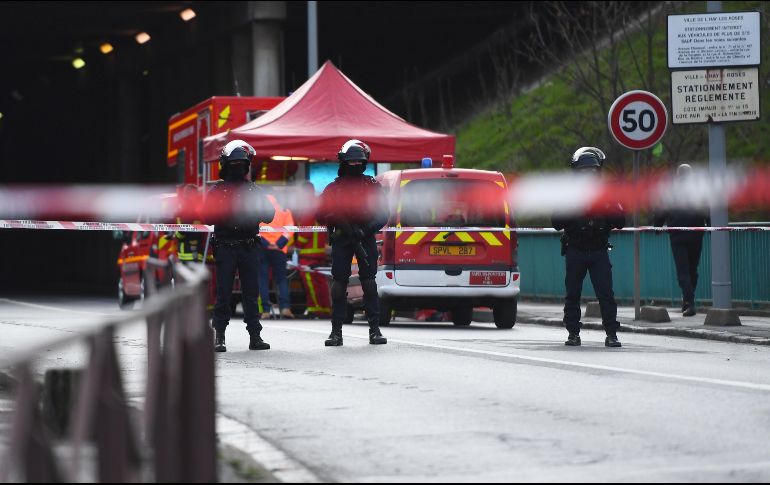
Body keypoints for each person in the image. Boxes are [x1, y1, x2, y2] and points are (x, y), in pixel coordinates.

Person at [552, 147, 626, 348]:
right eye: (584, 172)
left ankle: (612, 334)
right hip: (575, 249)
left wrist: (606, 205)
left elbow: (621, 221)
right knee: (572, 294)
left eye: (592, 171)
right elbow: (556, 222)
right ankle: (573, 333)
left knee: (606, 294)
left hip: (599, 250)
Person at [318, 139, 389, 346]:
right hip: (344, 237)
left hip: (363, 238)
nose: (356, 165)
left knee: (366, 283)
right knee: (341, 283)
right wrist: (339, 221)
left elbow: (383, 214)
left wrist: (364, 230)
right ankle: (338, 332)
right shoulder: (335, 188)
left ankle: (371, 330)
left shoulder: (369, 186)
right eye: (353, 162)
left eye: (358, 162)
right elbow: (320, 214)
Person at [208, 140, 275, 352]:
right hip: (226, 246)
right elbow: (206, 215)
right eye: (235, 164)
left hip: (247, 247)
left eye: (241, 163)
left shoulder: (253, 190)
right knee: (224, 293)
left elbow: (269, 215)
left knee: (250, 293)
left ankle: (255, 336)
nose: (238, 167)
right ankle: (220, 336)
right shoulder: (218, 190)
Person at [653, 164, 710, 317]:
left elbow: (661, 210)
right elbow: (707, 210)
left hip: (677, 235)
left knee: (683, 271)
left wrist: (657, 227)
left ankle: (689, 302)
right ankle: (688, 300)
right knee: (693, 269)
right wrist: (710, 226)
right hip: (696, 234)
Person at [294, 182, 332, 319]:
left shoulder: (308, 207)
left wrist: (297, 245)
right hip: (319, 252)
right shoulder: (318, 204)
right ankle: (325, 309)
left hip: (308, 253)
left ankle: (315, 309)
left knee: (310, 283)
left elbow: (305, 232)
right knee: (321, 283)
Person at [258, 193, 296, 319]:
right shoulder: (284, 209)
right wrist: (279, 244)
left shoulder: (258, 209)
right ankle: (285, 308)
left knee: (263, 280)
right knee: (281, 279)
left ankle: (265, 310)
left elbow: (255, 229)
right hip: (279, 250)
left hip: (263, 249)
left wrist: (266, 244)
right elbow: (289, 229)